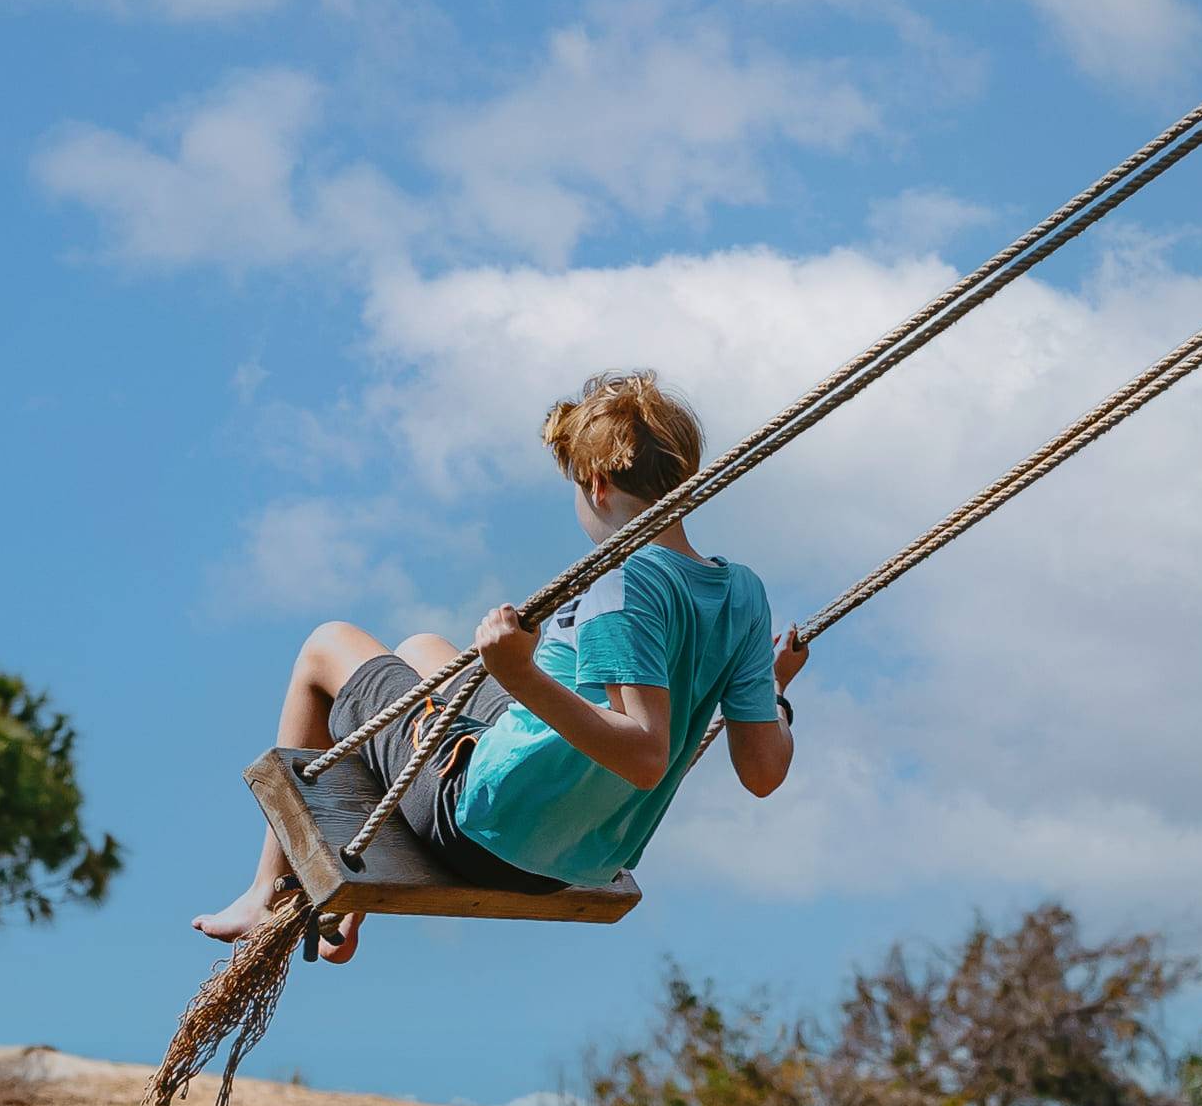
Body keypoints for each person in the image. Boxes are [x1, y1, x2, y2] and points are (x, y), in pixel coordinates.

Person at [193, 371, 804, 959]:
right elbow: (762, 773)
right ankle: (349, 892)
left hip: (489, 828)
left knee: (328, 645)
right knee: (420, 651)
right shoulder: (742, 593)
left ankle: (268, 890)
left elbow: (645, 753)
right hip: (575, 857)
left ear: (595, 485)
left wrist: (519, 673)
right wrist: (769, 693)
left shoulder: (623, 580)